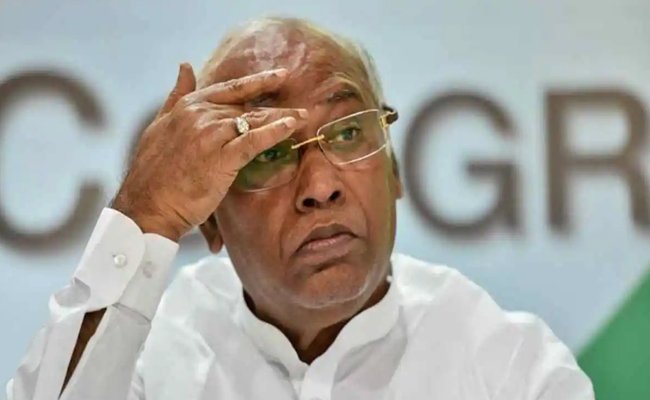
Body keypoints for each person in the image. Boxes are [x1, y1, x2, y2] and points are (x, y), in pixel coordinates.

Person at [6, 17, 594, 400]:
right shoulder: (151, 351)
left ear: (394, 171)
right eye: (268, 153)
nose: (320, 186)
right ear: (210, 221)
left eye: (348, 132)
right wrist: (145, 216)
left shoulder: (511, 367)